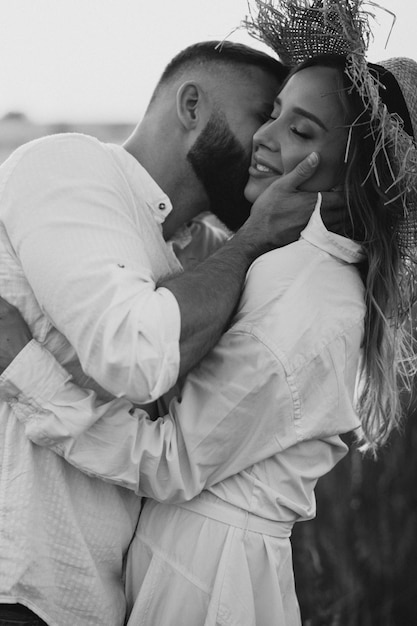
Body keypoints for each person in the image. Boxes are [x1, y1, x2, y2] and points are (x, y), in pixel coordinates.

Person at [2, 1, 417, 624]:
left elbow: (167, 452)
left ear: (355, 177)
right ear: (191, 107)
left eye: (300, 131)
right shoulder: (99, 185)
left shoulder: (301, 290)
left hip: (197, 576)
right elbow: (142, 354)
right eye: (268, 115)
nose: (264, 139)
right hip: (59, 578)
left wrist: (20, 365)